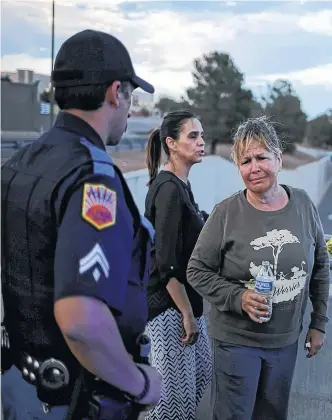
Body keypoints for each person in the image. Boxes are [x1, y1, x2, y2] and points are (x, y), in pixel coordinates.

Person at [1, 29, 162, 420]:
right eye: (130, 96)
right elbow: (82, 320)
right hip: (76, 398)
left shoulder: (19, 162)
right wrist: (138, 382)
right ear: (114, 93)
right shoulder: (92, 177)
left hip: (20, 389)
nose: (129, 108)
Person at [187, 116, 330, 420]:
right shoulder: (225, 213)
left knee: (272, 415)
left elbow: (320, 264)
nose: (254, 168)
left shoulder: (303, 204)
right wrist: (238, 298)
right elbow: (196, 270)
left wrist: (318, 322)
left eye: (261, 157)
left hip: (285, 342)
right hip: (236, 343)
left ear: (278, 159)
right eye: (245, 161)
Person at [143, 110, 212, 420]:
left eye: (201, 135)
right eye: (193, 136)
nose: (201, 142)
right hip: (170, 308)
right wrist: (187, 313)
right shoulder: (168, 189)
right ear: (171, 143)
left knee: (201, 377)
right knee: (171, 407)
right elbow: (166, 262)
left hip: (188, 304)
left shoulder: (181, 185)